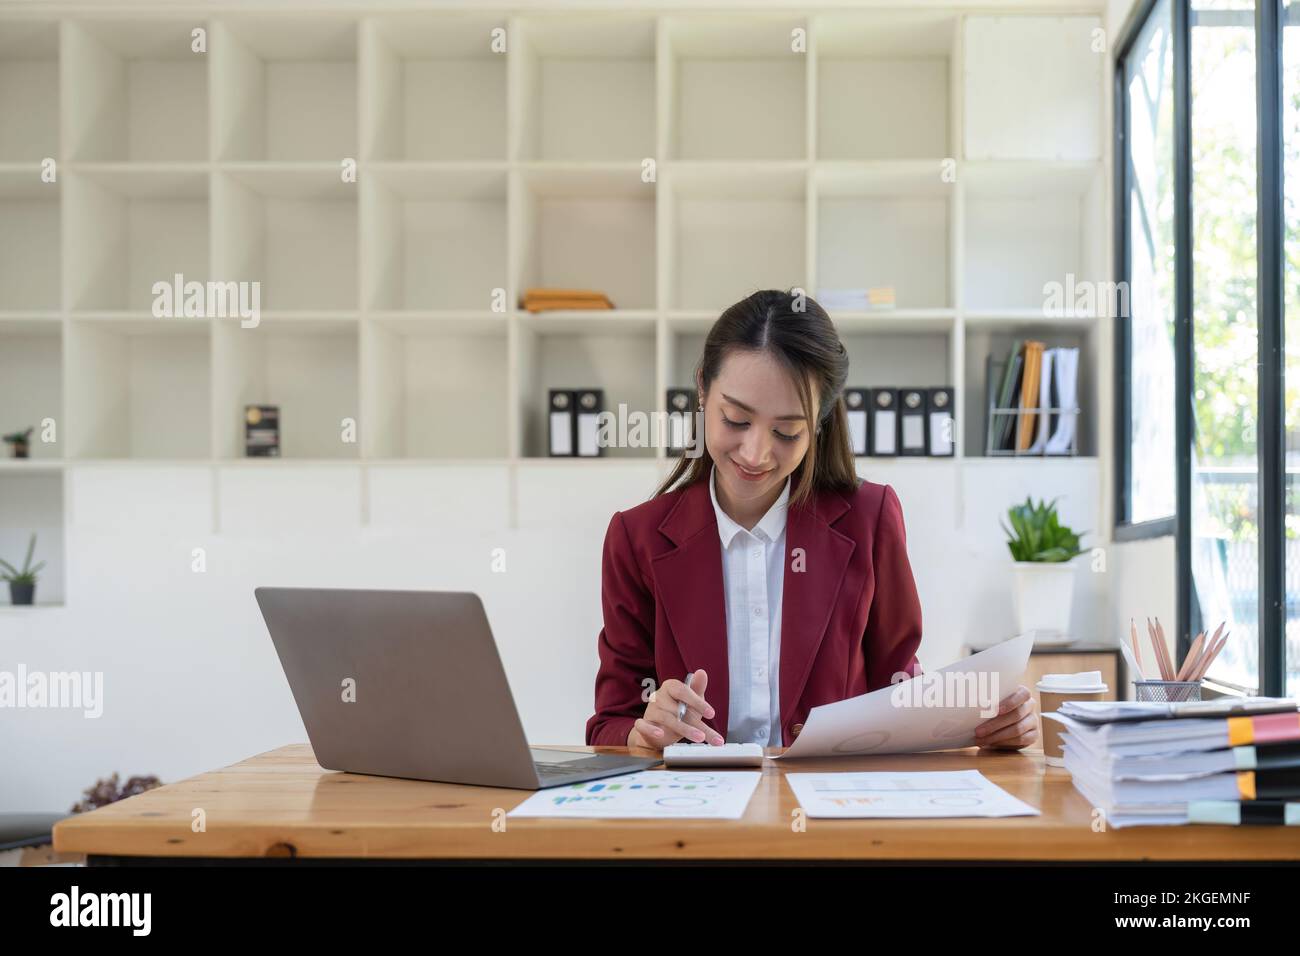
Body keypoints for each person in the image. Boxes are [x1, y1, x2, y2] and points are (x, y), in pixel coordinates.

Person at [584, 290, 1037, 753]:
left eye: (786, 431)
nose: (756, 453)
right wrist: (643, 731)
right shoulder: (636, 538)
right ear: (702, 389)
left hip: (830, 809)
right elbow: (610, 724)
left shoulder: (869, 519)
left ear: (818, 423)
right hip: (696, 814)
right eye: (736, 419)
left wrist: (988, 721)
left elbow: (900, 691)